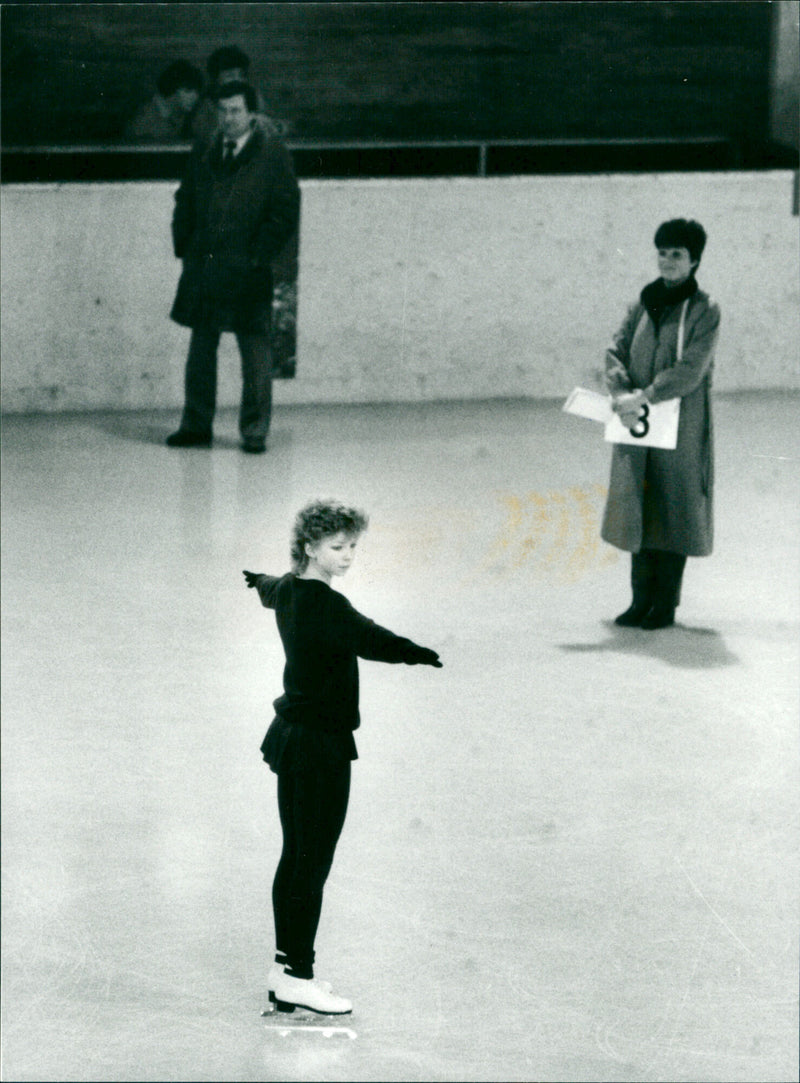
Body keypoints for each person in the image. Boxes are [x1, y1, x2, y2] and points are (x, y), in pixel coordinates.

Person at [243, 500, 443, 1014]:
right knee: (312, 860)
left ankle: (287, 968)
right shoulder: (328, 606)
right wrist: (418, 651)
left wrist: (257, 579)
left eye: (354, 545)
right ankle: (296, 975)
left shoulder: (287, 589)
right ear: (310, 548)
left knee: (298, 854)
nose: (349, 556)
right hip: (318, 747)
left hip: (293, 737)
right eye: (338, 547)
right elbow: (370, 638)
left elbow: (269, 587)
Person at [166, 80, 300, 454]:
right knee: (201, 348)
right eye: (222, 110)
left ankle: (254, 431)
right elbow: (186, 196)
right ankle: (195, 425)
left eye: (235, 110)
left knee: (255, 349)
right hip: (206, 264)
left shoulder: (273, 153)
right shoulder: (205, 146)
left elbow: (286, 209)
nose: (227, 118)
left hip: (247, 268)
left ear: (253, 113)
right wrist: (185, 243)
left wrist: (258, 255)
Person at [600, 218, 721, 629]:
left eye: (678, 255)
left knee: (674, 506)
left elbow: (691, 369)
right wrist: (620, 392)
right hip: (638, 422)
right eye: (663, 253)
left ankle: (664, 605)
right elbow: (615, 351)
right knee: (640, 505)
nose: (668, 261)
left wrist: (645, 395)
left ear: (695, 261)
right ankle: (639, 602)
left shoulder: (704, 310)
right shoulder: (641, 304)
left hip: (681, 425)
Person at [191, 45, 271, 146]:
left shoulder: (253, 98)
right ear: (216, 79)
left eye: (241, 75)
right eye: (230, 76)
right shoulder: (206, 105)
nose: (237, 80)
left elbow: (268, 127)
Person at [123, 60, 204, 142]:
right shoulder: (146, 115)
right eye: (188, 91)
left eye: (197, 92)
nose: (195, 97)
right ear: (172, 89)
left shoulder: (183, 114)